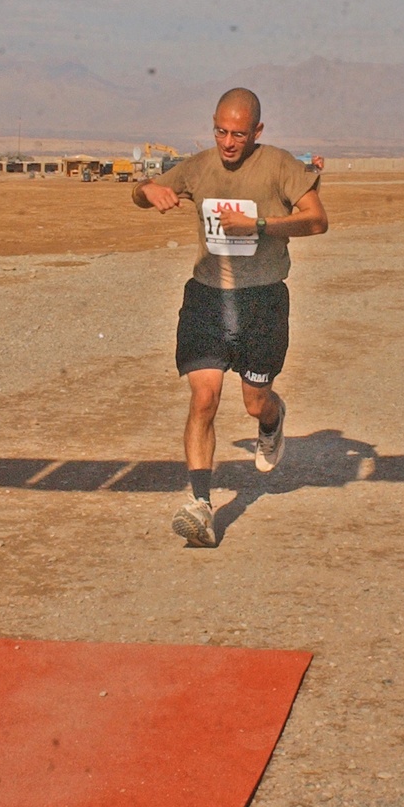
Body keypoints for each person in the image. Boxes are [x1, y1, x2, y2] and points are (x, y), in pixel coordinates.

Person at [132, 87, 328, 546]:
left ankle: (271, 421)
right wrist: (148, 189)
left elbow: (317, 220)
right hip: (207, 295)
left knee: (255, 400)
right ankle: (200, 505)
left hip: (261, 300)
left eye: (239, 134)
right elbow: (140, 197)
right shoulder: (199, 166)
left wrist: (258, 226)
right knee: (204, 398)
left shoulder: (280, 166)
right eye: (220, 131)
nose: (228, 142)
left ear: (257, 131)